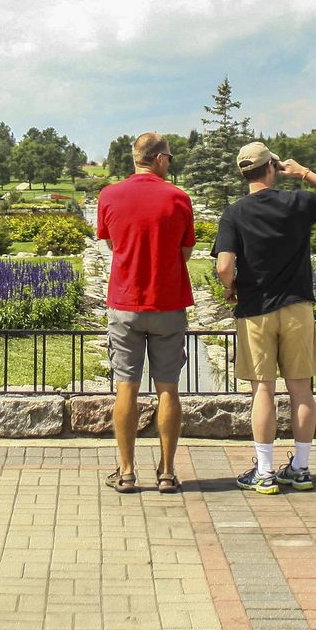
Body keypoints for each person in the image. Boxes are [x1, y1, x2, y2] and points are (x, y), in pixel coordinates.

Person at [213, 142, 316, 495]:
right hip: (297, 306)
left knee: (263, 390)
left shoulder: (234, 213)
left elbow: (224, 265)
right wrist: (303, 172)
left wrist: (231, 288)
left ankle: (266, 472)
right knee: (301, 388)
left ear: (244, 173)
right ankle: (300, 469)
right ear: (272, 168)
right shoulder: (297, 202)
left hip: (255, 310)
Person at [95, 132, 196, 493]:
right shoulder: (178, 198)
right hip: (168, 304)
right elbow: (185, 252)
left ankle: (125, 472)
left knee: (127, 387)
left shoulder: (109, 195)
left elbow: (110, 243)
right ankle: (167, 472)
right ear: (158, 159)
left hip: (125, 304)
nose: (170, 162)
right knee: (168, 389)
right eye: (169, 156)